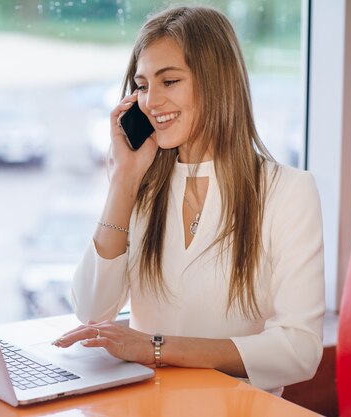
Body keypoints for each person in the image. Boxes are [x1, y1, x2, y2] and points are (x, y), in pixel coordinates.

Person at [52, 5, 325, 394]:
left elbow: (299, 351)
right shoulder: (142, 187)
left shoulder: (287, 192)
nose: (151, 101)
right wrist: (123, 183)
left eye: (170, 81)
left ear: (216, 82)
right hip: (146, 404)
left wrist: (156, 349)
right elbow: (92, 309)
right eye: (143, 85)